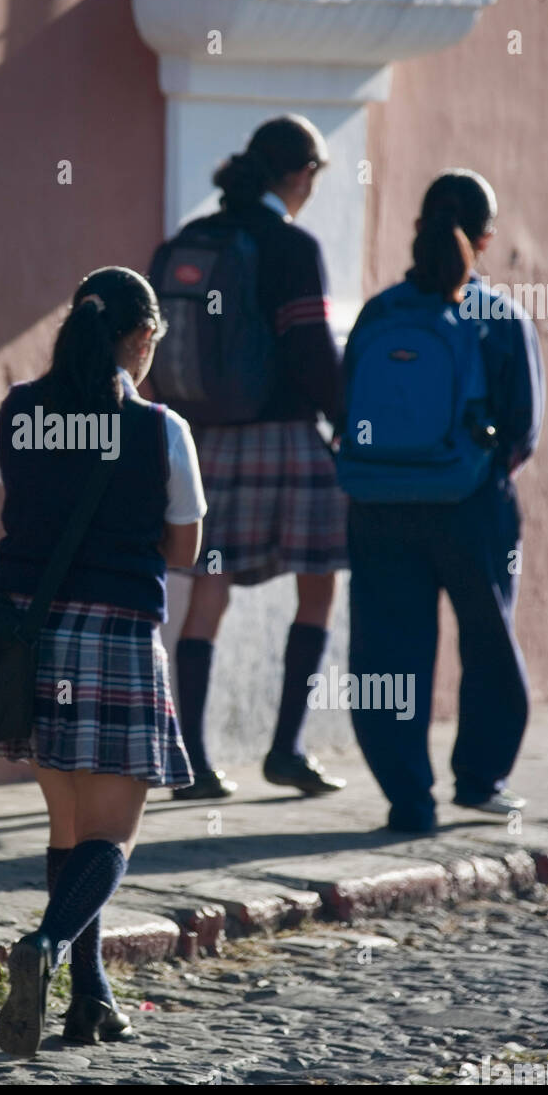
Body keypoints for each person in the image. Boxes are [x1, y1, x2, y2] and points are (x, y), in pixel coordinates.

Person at [0, 267, 206, 1056]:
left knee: (68, 824)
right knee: (110, 835)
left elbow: (21, 503)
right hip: (114, 634)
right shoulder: (159, 429)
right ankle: (42, 947)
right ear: (143, 339)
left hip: (29, 633)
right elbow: (184, 547)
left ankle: (89, 996)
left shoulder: (17, 410)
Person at [341, 170, 544, 833]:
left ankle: (407, 797)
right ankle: (479, 779)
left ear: (416, 226)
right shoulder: (499, 319)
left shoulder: (379, 312)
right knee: (486, 641)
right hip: (470, 505)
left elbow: (348, 408)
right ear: (485, 238)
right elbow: (522, 430)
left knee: (386, 653)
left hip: (377, 507)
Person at [166, 115, 348, 801]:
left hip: (208, 438)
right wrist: (345, 421)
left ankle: (192, 761)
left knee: (207, 588)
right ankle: (285, 749)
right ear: (300, 175)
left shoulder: (194, 239)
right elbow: (309, 352)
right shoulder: (291, 246)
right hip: (285, 439)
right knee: (319, 579)